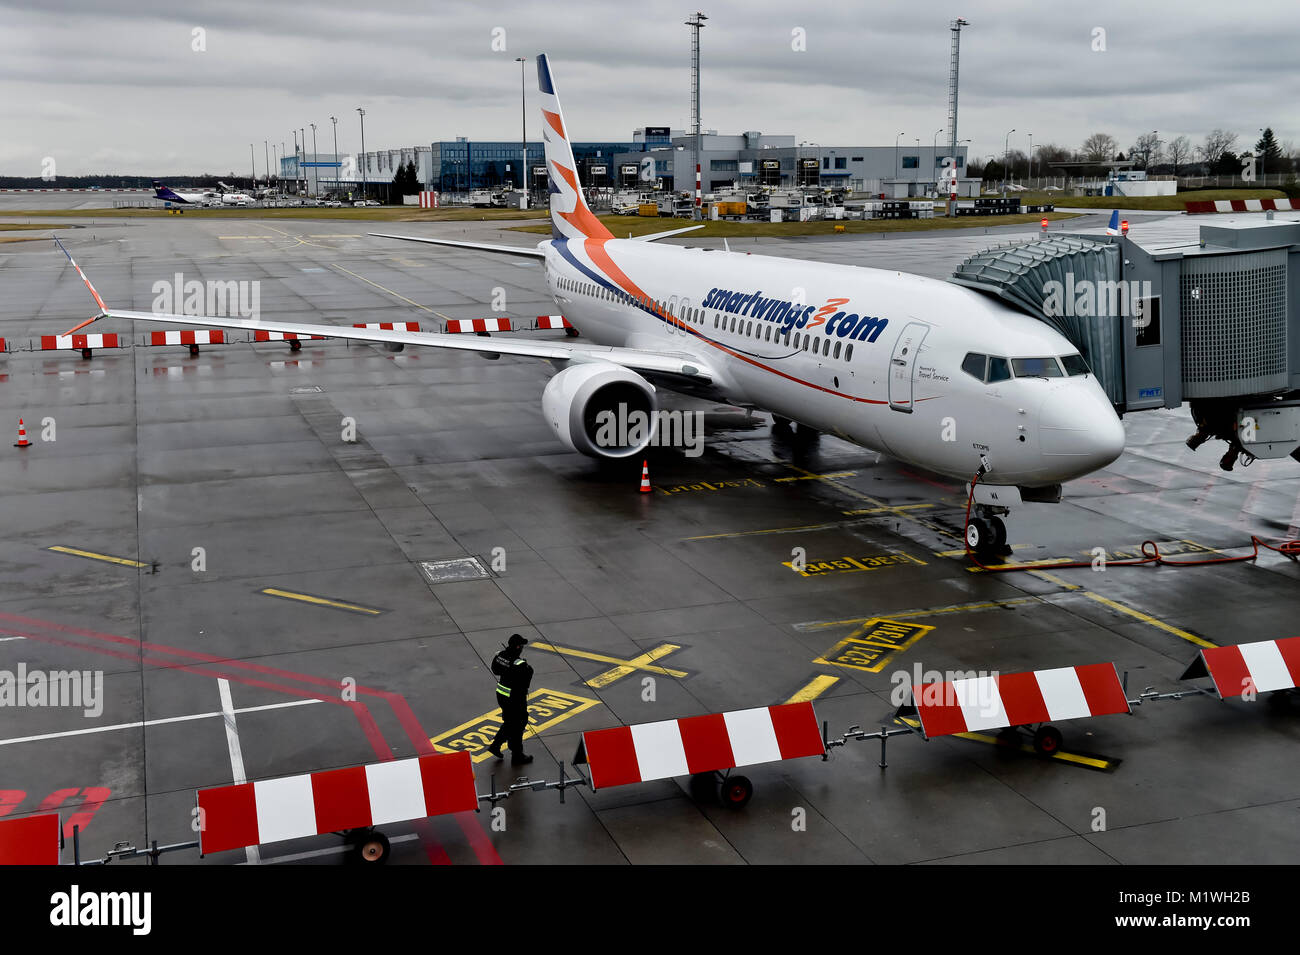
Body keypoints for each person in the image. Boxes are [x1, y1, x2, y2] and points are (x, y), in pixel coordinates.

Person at [488, 634, 534, 765]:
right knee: (519, 723)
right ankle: (517, 755)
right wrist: (524, 666)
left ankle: (496, 746)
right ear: (518, 647)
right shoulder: (520, 664)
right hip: (514, 698)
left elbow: (495, 669)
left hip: (502, 694)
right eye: (521, 646)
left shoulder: (501, 655)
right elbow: (527, 678)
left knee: (510, 722)